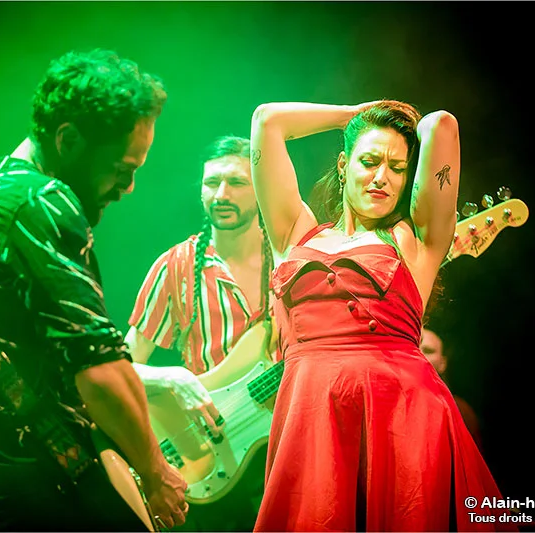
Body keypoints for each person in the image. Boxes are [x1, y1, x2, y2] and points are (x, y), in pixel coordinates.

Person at [0, 49, 188, 532]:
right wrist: (154, 471)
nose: (127, 187)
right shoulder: (40, 201)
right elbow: (100, 371)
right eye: (121, 169)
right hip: (55, 498)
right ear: (68, 139)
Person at [249, 99, 515, 531]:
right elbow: (267, 120)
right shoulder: (295, 232)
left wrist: (399, 122)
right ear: (343, 164)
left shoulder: (416, 239)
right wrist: (353, 114)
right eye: (369, 161)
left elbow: (442, 125)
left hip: (401, 418)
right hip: (311, 416)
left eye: (397, 167)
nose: (381, 177)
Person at [125, 135, 273, 531]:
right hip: (215, 459)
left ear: (262, 188)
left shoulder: (290, 258)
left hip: (290, 445)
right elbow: (120, 368)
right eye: (212, 183)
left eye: (237, 182)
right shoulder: (176, 266)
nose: (222, 194)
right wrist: (171, 377)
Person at [420, 327, 483, 451]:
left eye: (428, 351)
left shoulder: (460, 411)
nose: (420, 354)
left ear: (443, 363)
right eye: (416, 349)